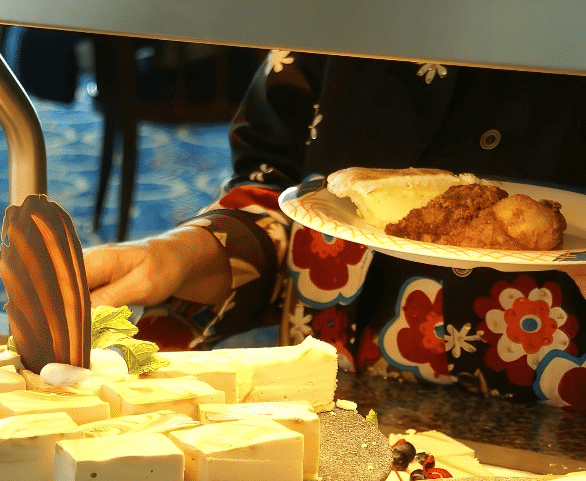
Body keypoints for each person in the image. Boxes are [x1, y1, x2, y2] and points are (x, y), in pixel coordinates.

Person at [84, 52, 586, 408]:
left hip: (558, 444)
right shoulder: (340, 21)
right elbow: (278, 188)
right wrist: (178, 256)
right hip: (335, 409)